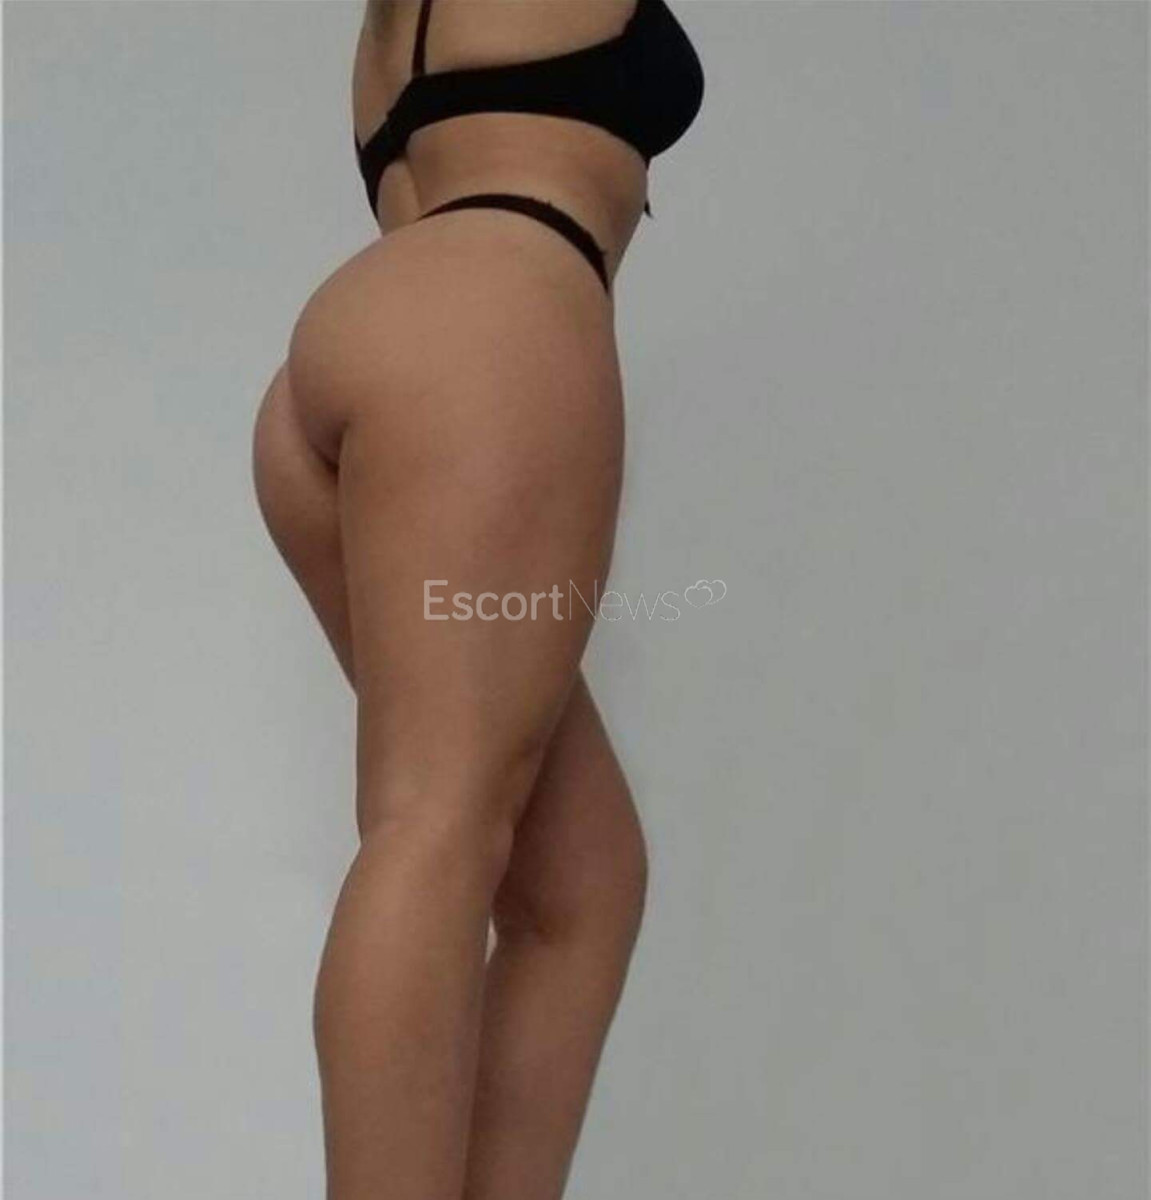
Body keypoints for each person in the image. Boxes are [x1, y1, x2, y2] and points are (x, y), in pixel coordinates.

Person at [250, 1, 704, 1195]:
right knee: (435, 822)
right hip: (491, 335)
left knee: (582, 879)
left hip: (373, 339)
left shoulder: (395, 20)